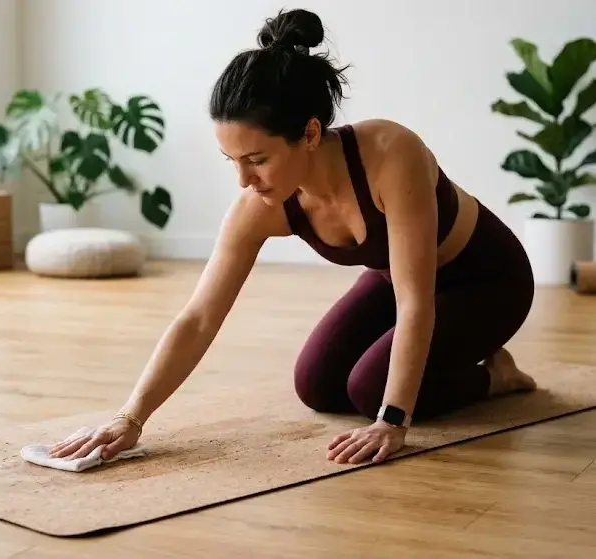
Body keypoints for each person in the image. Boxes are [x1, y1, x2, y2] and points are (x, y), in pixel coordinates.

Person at [49, 8, 537, 466]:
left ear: (308, 133)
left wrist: (392, 421)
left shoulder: (392, 153)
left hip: (487, 280)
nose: (244, 180)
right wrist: (130, 417)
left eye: (257, 160)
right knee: (317, 385)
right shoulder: (259, 206)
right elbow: (198, 318)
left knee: (372, 392)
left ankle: (495, 376)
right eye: (233, 162)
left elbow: (416, 303)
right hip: (400, 280)